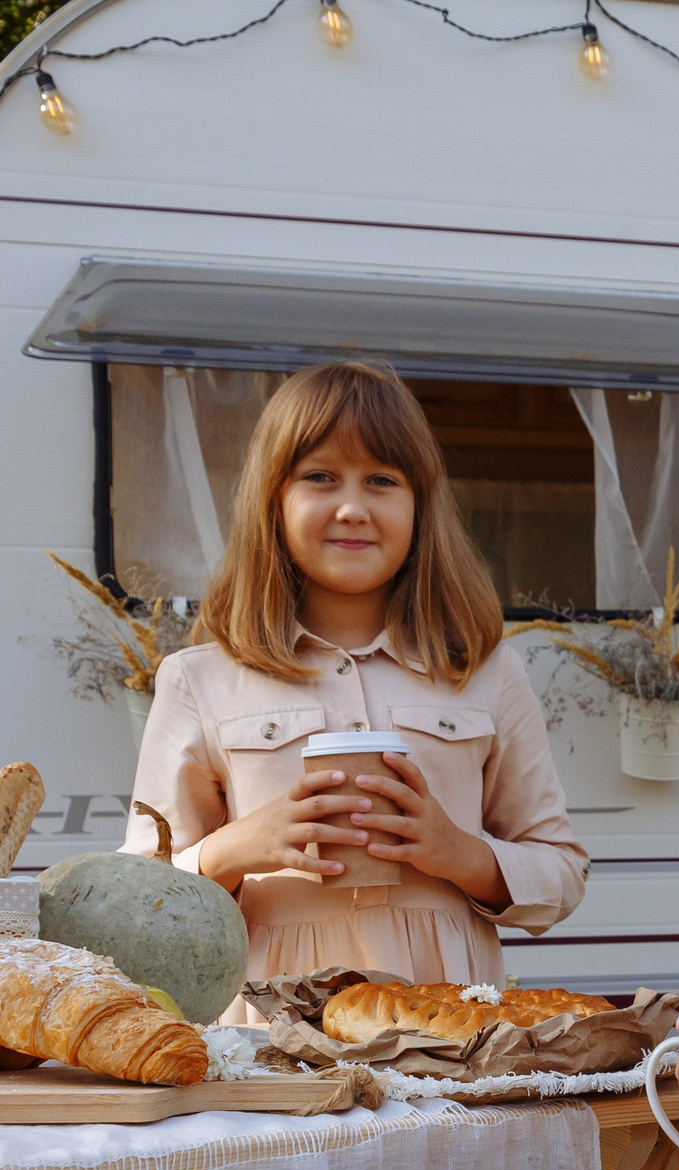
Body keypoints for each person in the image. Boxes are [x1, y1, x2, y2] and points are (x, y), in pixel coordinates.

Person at [129, 362, 587, 1019]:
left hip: (448, 1033)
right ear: (273, 500)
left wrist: (460, 853)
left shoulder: (486, 672)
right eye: (320, 477)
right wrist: (235, 849)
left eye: (382, 480)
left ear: (421, 505)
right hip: (267, 1037)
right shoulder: (198, 678)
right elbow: (136, 897)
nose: (352, 507)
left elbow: (563, 874)